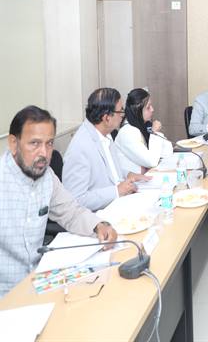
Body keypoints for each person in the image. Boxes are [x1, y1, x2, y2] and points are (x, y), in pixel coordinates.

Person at [0, 106, 117, 298]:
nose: (44, 153)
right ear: (14, 143)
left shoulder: (46, 176)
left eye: (49, 144)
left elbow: (71, 212)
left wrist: (99, 225)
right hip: (6, 295)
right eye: (35, 143)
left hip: (38, 282)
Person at [63, 88, 150, 212]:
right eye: (120, 111)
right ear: (107, 118)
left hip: (119, 205)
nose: (123, 115)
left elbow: (110, 170)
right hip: (99, 216)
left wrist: (129, 174)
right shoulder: (80, 148)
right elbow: (76, 200)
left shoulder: (105, 133)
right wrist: (117, 191)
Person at [115, 88, 173, 174]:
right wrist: (154, 132)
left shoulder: (142, 125)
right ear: (137, 111)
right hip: (131, 180)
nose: (152, 109)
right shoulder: (127, 132)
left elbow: (167, 152)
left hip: (143, 176)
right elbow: (152, 162)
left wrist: (153, 132)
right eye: (148, 107)